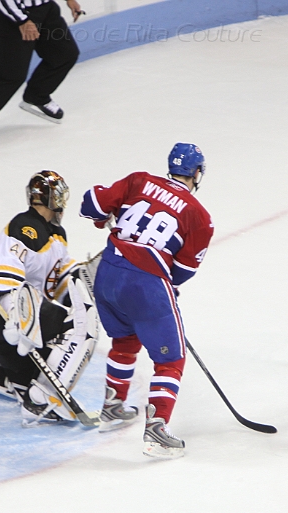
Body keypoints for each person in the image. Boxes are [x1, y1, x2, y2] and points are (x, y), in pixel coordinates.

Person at [78, 143, 215, 458]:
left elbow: (91, 204)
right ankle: (157, 431)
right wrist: (159, 290)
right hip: (146, 283)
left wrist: (104, 215)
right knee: (171, 360)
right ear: (196, 173)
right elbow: (181, 272)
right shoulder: (199, 216)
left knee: (125, 340)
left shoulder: (138, 181)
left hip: (107, 273)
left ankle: (113, 406)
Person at [0, 170, 98, 425]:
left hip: (8, 315)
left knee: (28, 381)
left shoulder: (55, 234)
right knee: (82, 321)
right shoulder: (25, 228)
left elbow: (57, 278)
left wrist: (88, 277)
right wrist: (15, 313)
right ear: (54, 199)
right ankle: (42, 401)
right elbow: (3, 269)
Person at [0, 0, 85, 148]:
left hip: (46, 8)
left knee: (64, 54)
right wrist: (22, 20)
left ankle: (36, 96)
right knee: (11, 75)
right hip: (14, 16)